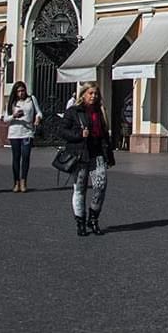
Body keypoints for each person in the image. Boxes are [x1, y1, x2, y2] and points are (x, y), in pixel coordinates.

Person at [60, 82, 115, 236]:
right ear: (83, 94)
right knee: (80, 189)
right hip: (80, 155)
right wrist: (78, 135)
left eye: (95, 93)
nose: (93, 96)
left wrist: (109, 156)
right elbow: (62, 131)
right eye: (90, 93)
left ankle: (93, 218)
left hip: (97, 154)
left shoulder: (100, 112)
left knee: (100, 186)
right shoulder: (73, 112)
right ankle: (80, 222)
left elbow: (105, 136)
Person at [1, 81, 42, 193]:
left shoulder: (31, 99)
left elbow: (39, 112)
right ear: (15, 92)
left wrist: (37, 118)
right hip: (14, 133)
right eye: (18, 91)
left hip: (27, 132)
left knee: (26, 156)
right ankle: (16, 182)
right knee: (16, 157)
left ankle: (24, 180)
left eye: (22, 90)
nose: (21, 93)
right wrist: (14, 116)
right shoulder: (12, 102)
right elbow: (5, 118)